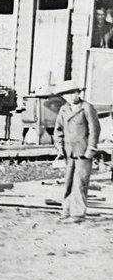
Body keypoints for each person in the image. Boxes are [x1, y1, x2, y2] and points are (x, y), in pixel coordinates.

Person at [54, 82, 101, 223]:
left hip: (83, 151)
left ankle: (78, 215)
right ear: (63, 97)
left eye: (74, 92)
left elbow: (94, 130)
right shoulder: (63, 110)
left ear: (78, 93)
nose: (72, 96)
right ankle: (66, 211)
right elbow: (58, 130)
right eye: (67, 94)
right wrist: (59, 146)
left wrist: (91, 148)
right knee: (68, 182)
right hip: (69, 152)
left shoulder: (87, 108)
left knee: (80, 182)